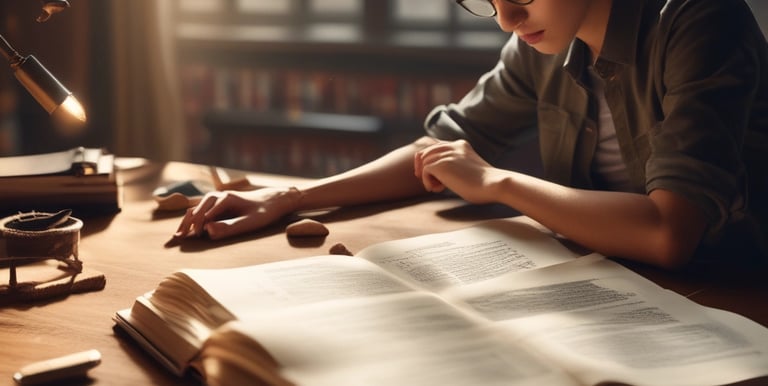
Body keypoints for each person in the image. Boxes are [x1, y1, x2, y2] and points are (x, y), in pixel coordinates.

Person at [174, 0, 768, 270]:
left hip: (736, 289)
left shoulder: (700, 20)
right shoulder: (540, 42)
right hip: (618, 284)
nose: (507, 18)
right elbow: (440, 148)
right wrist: (288, 198)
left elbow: (670, 234)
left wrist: (495, 181)